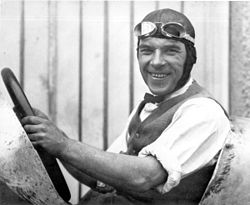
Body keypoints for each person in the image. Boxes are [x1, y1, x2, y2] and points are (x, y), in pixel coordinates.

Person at [21, 8, 231, 205]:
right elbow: (104, 180)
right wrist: (52, 138)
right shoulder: (147, 108)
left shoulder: (203, 112)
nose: (156, 62)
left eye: (171, 51)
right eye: (147, 50)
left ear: (190, 59)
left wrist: (63, 145)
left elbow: (145, 176)